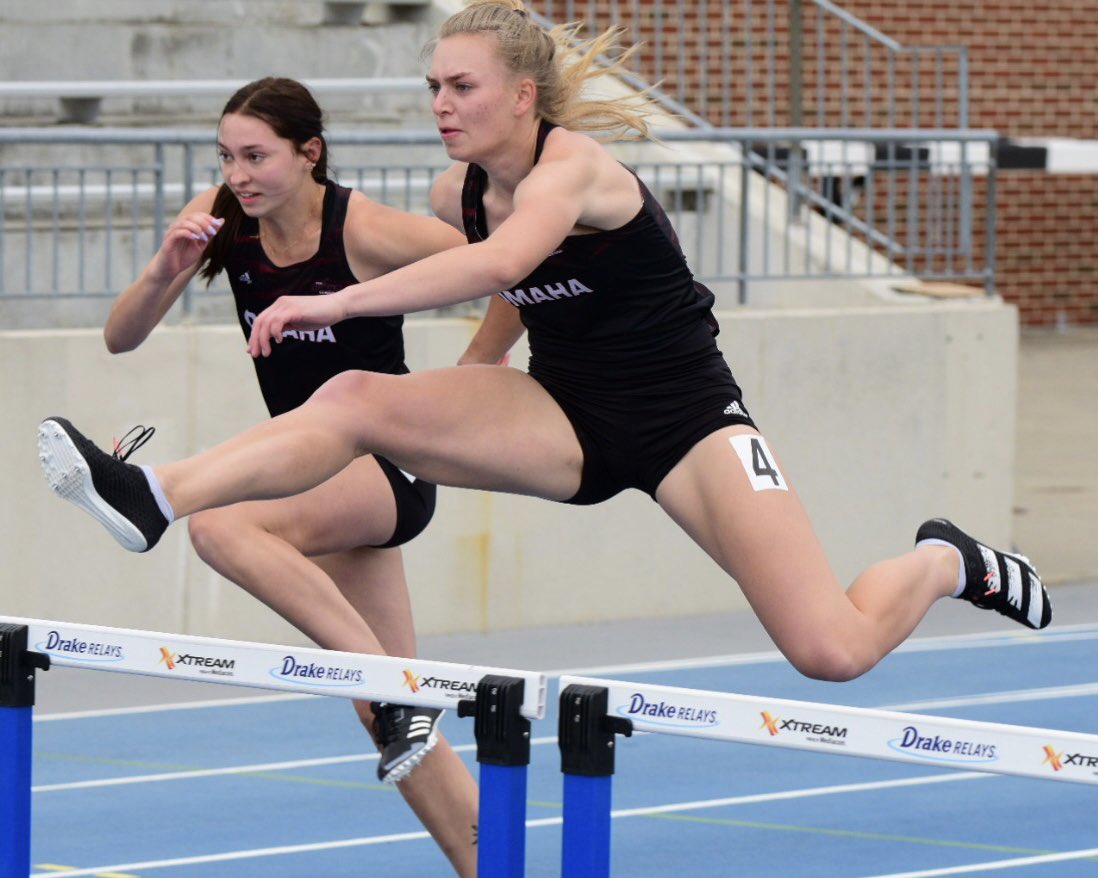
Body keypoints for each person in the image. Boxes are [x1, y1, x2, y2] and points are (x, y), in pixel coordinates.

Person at [39, 0, 1050, 718]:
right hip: (563, 410)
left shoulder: (574, 171)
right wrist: (484, 367)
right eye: (433, 87)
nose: (442, 104)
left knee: (830, 649)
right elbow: (506, 291)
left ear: (523, 95)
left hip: (687, 421)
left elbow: (507, 262)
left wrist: (334, 296)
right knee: (353, 394)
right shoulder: (455, 192)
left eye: (462, 87)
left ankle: (946, 559)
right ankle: (152, 494)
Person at [71, 77, 485, 875]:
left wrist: (480, 361)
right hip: (309, 476)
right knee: (386, 718)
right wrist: (164, 270)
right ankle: (484, 856)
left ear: (309, 153)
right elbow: (120, 337)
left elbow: (509, 268)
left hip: (384, 468)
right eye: (226, 157)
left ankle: (396, 692)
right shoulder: (225, 216)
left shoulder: (364, 229)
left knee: (222, 524)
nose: (238, 175)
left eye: (256, 157)